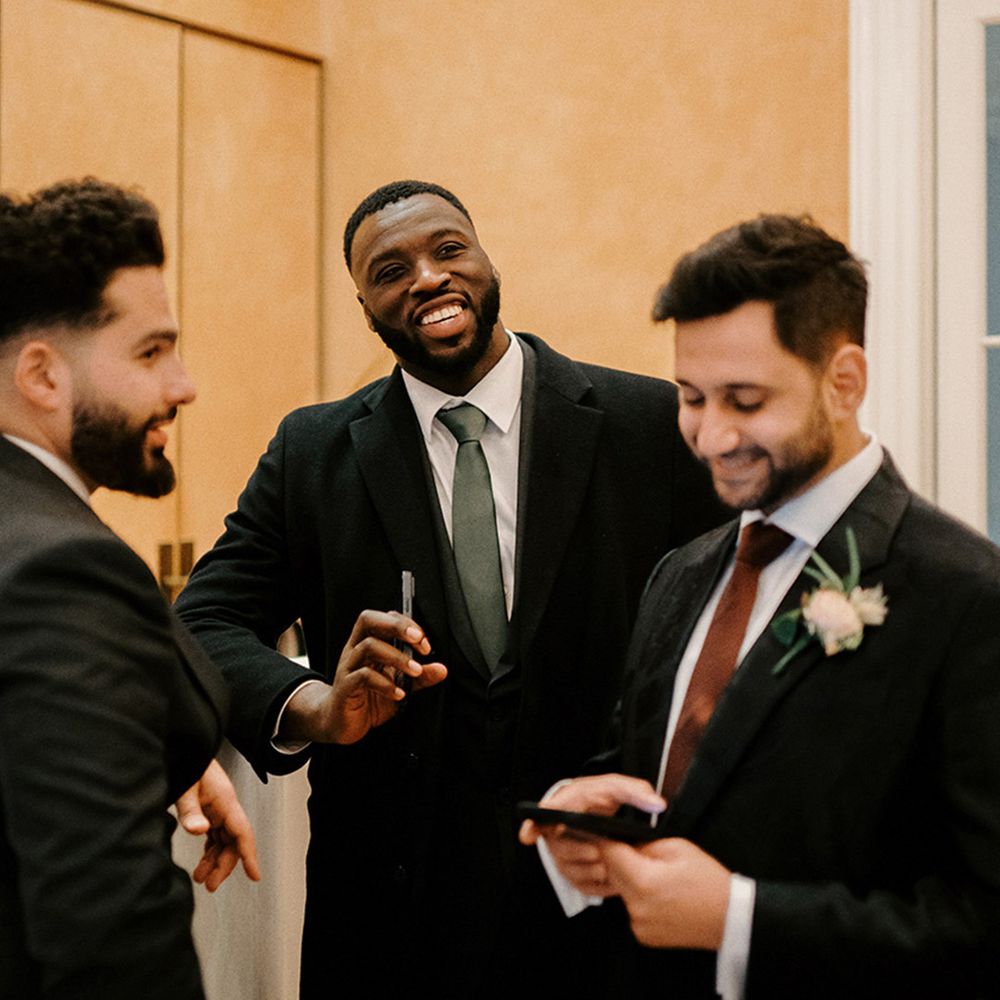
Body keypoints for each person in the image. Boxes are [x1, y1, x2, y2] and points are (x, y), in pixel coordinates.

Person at [174, 179, 725, 997]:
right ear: (365, 306)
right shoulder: (312, 453)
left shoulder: (649, 424)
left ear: (486, 259)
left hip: (608, 897)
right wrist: (317, 706)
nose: (426, 278)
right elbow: (203, 622)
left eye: (446, 249)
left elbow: (733, 616)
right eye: (390, 270)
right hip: (394, 920)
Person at [520, 214, 1000, 999]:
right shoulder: (681, 573)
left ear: (844, 381)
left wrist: (741, 919)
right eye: (691, 397)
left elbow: (983, 924)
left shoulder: (966, 599)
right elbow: (656, 772)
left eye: (744, 400)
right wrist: (586, 821)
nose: (710, 437)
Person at [0, 178, 260, 1000]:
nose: (182, 386)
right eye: (150, 353)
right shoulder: (62, 572)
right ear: (42, 375)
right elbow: (107, 934)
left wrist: (144, 749)